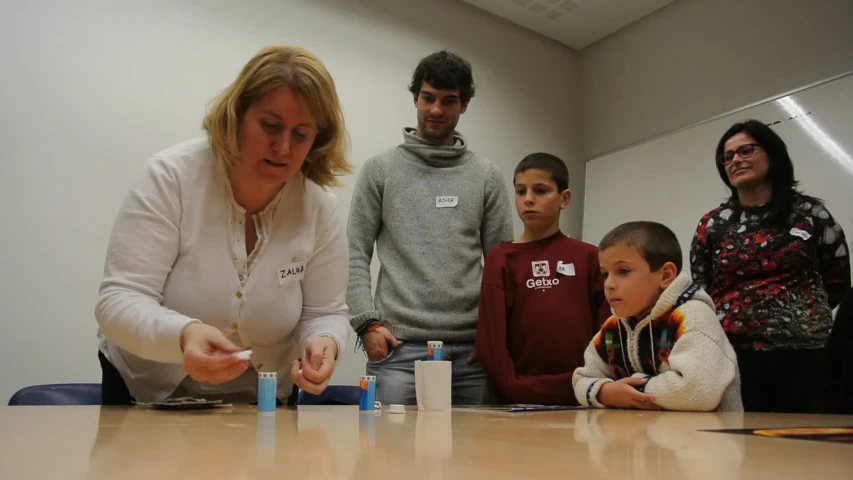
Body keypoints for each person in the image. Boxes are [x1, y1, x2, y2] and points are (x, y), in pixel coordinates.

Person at [95, 45, 353, 405]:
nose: (282, 147)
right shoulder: (171, 177)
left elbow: (325, 312)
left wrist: (326, 341)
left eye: (300, 135)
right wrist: (184, 334)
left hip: (259, 402)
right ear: (237, 114)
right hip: (149, 394)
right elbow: (119, 300)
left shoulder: (318, 207)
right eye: (271, 126)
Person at [347, 50, 514, 405]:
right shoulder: (381, 170)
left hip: (473, 354)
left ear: (464, 105)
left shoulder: (487, 176)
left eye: (449, 101)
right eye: (428, 98)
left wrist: (493, 340)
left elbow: (502, 267)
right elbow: (355, 252)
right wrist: (366, 324)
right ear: (415, 98)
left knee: (480, 460)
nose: (436, 110)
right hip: (398, 351)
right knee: (392, 458)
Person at [689, 119, 850, 413]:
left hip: (806, 354)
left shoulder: (810, 214)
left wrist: (794, 313)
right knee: (740, 449)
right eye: (728, 156)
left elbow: (837, 280)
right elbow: (703, 289)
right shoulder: (712, 224)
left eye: (746, 150)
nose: (736, 160)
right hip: (734, 354)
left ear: (772, 155)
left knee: (805, 448)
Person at [475, 153, 609, 404]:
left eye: (540, 190)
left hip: (582, 393)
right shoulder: (501, 258)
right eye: (521, 191)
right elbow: (490, 340)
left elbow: (605, 330)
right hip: (515, 399)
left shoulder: (588, 256)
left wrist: (591, 383)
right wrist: (513, 387)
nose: (528, 200)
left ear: (564, 198)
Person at [573, 221, 743, 412]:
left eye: (623, 271)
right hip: (643, 437)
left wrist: (632, 390)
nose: (609, 284)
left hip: (707, 438)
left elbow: (699, 392)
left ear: (665, 275)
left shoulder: (692, 317)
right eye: (605, 274)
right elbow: (581, 380)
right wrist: (604, 392)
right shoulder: (613, 327)